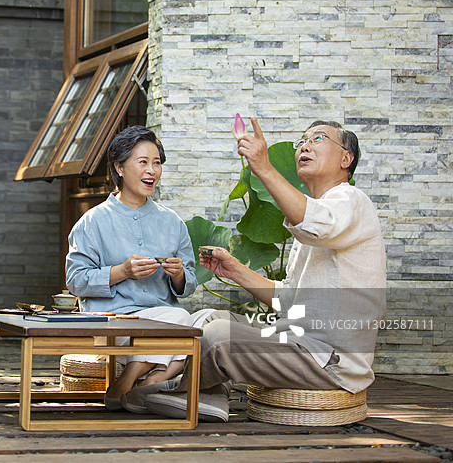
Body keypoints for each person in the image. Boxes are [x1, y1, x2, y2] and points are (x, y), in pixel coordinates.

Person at [127, 117, 387, 423]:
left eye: (318, 139)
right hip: (300, 341)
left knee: (218, 338)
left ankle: (184, 393)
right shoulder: (320, 212)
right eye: (301, 141)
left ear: (346, 158)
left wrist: (262, 166)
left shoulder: (350, 201)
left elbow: (314, 223)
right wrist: (235, 270)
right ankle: (203, 391)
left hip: (329, 358)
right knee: (208, 318)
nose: (304, 145)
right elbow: (289, 300)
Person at [65, 125, 208, 412]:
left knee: (205, 324)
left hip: (162, 323)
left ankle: (143, 382)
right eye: (143, 162)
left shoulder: (172, 222)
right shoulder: (92, 222)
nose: (152, 171)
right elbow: (75, 280)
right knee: (182, 321)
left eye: (157, 163)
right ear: (119, 167)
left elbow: (189, 282)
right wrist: (123, 271)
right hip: (112, 322)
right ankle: (142, 376)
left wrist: (179, 274)